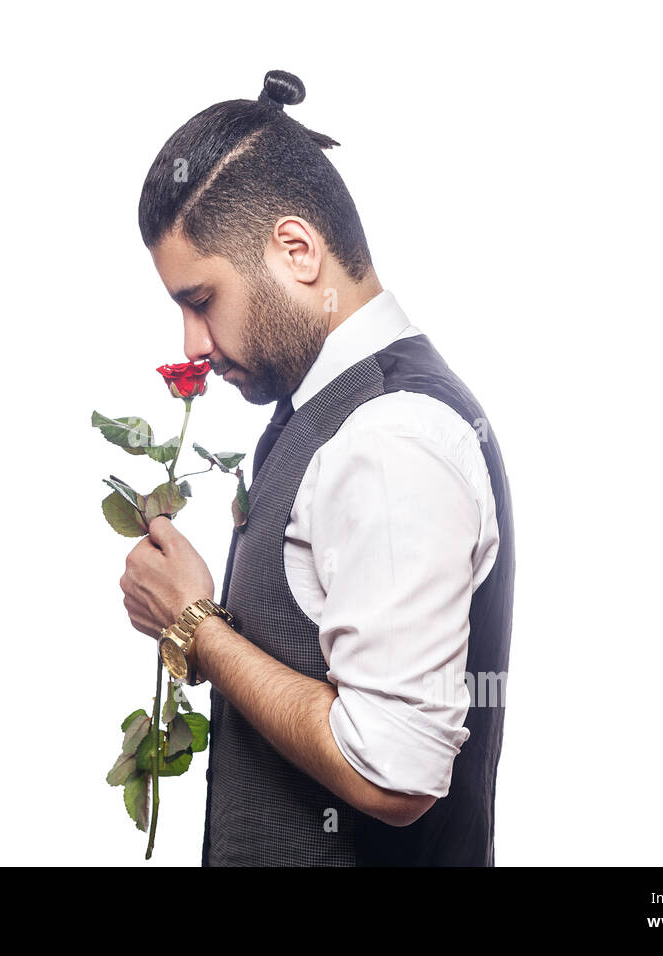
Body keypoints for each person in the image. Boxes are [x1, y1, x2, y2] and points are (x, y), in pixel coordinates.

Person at [118, 69, 515, 866]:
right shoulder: (322, 416)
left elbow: (395, 770)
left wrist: (197, 628)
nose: (193, 344)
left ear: (296, 251)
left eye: (201, 300)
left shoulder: (392, 435)